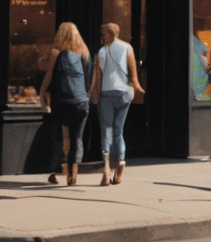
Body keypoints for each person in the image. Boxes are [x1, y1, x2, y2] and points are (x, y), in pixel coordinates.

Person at [89, 22, 141, 187]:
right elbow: (133, 72)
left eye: (103, 33)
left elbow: (98, 77)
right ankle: (120, 163)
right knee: (118, 131)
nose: (102, 36)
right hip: (124, 93)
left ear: (108, 34)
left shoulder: (102, 51)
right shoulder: (127, 48)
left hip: (107, 93)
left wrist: (94, 95)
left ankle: (106, 170)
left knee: (107, 131)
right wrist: (132, 90)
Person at [39, 24, 91, 186]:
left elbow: (48, 74)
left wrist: (41, 94)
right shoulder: (84, 53)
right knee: (77, 138)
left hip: (63, 101)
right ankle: (73, 174)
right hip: (81, 101)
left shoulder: (57, 53)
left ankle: (58, 171)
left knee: (61, 137)